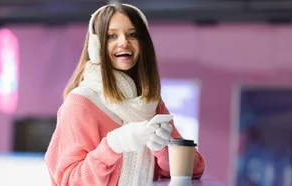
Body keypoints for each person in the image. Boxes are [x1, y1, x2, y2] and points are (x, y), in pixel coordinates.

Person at [44, 3, 206, 186]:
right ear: (96, 47)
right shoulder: (81, 103)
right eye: (112, 36)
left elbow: (194, 170)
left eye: (133, 35)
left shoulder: (151, 103)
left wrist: (163, 149)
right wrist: (114, 145)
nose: (123, 42)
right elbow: (69, 181)